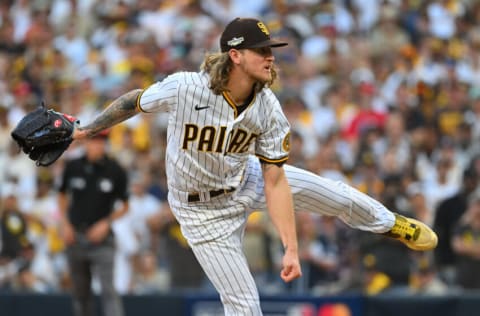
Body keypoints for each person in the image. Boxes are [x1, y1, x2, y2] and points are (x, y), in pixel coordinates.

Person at [70, 17, 438, 315]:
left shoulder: (268, 107)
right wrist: (87, 130)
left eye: (270, 50)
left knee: (336, 194)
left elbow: (275, 180)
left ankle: (391, 224)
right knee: (245, 307)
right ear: (235, 55)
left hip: (244, 178)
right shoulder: (186, 88)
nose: (270, 57)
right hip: (201, 213)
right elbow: (135, 101)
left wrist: (290, 247)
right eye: (261, 50)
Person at [57, 130, 129, 316]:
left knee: (108, 290)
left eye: (102, 141)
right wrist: (64, 222)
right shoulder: (73, 166)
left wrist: (106, 223)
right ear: (86, 143)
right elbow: (62, 195)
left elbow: (126, 206)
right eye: (94, 141)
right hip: (76, 236)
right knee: (80, 293)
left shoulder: (115, 170)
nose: (97, 145)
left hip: (102, 240)